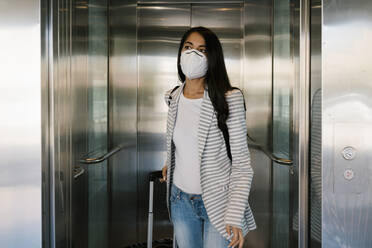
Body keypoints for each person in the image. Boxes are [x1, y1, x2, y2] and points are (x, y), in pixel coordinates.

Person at [160, 26, 256, 248]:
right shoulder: (173, 97)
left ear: (212, 57)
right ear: (180, 53)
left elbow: (241, 163)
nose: (193, 54)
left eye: (201, 50)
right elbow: (182, 140)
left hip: (219, 202)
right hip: (180, 199)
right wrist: (170, 162)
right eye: (188, 47)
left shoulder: (229, 98)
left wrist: (234, 214)